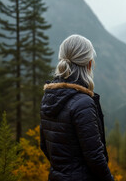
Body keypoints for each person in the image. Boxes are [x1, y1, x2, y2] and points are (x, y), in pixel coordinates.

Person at [40, 34, 114, 181]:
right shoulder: (83, 103)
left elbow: (44, 145)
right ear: (89, 64)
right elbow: (95, 157)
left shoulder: (48, 97)